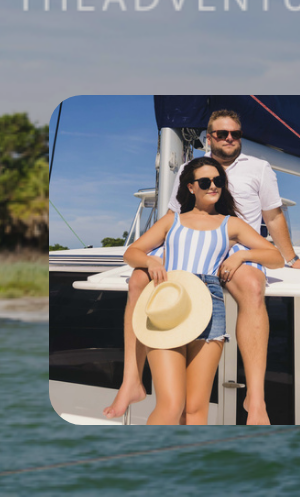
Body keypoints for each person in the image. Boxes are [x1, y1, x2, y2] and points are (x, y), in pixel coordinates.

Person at [104, 109, 300, 424]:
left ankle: (255, 398)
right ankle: (131, 380)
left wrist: (288, 258)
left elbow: (273, 216)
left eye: (235, 133)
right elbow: (168, 219)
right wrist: (154, 256)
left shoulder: (257, 171)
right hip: (190, 245)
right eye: (222, 134)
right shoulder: (188, 173)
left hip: (239, 247)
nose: (229, 138)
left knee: (252, 286)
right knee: (138, 281)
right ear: (209, 138)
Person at [122, 157, 283, 424]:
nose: (213, 186)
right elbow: (131, 253)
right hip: (169, 307)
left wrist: (241, 256)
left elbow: (275, 257)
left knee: (196, 410)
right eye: (205, 182)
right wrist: (150, 261)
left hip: (209, 306)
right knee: (171, 405)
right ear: (191, 187)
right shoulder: (171, 220)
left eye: (218, 181)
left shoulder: (231, 224)